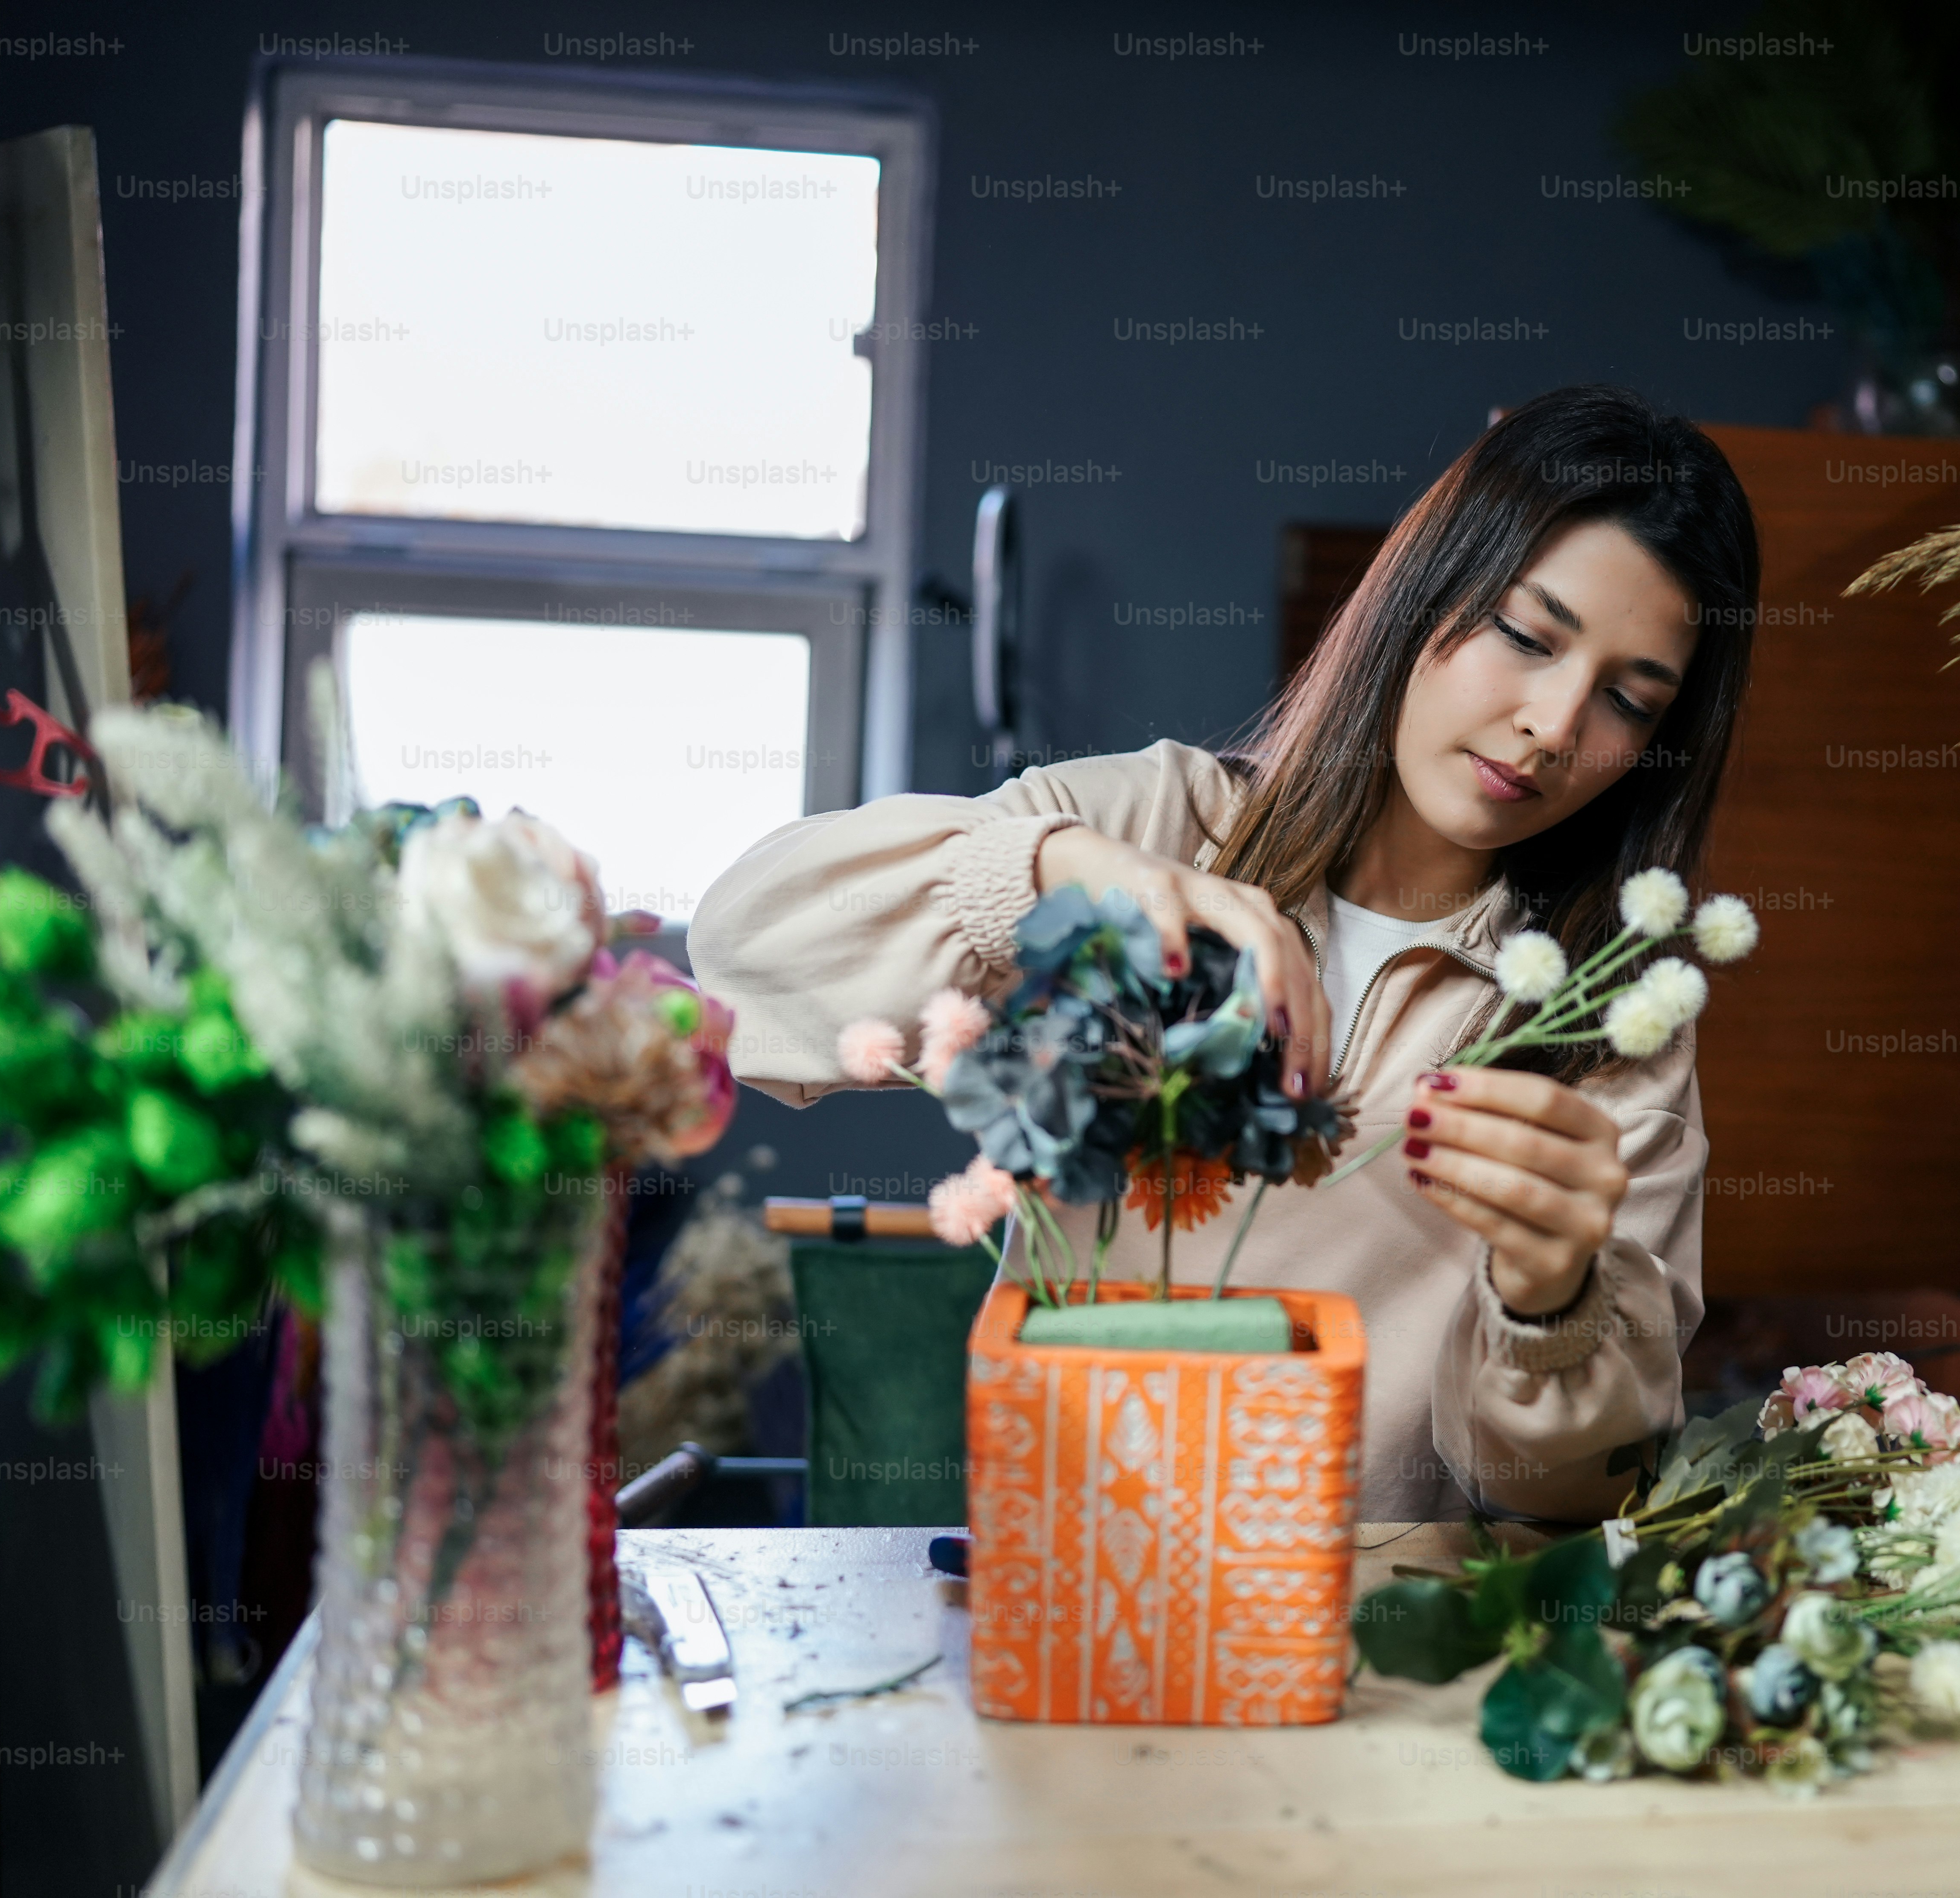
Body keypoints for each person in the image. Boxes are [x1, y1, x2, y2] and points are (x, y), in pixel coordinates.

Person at [689, 384, 1758, 1521]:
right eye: (1525, 636)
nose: (1554, 721)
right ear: (1424, 587)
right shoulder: (1148, 826)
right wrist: (1061, 876)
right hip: (1074, 1591)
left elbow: (1573, 1495)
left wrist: (1553, 1301)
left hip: (1360, 1649)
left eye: (1628, 702)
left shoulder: (1605, 1021)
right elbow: (743, 950)